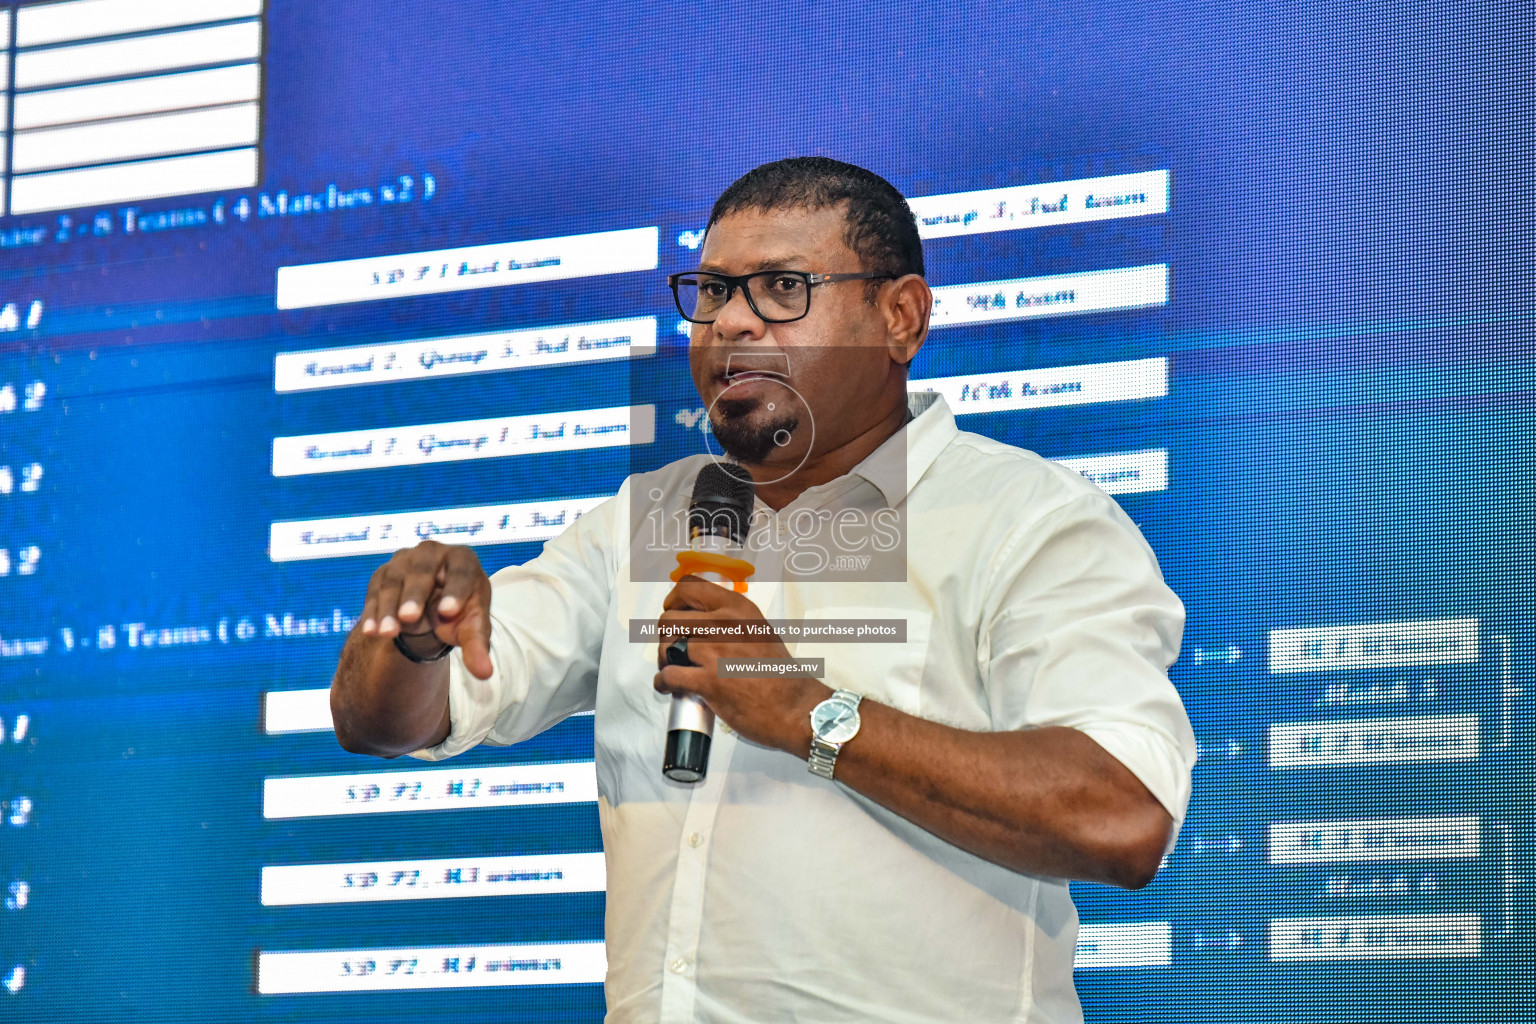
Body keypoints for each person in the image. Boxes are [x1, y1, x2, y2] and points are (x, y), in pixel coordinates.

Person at [330, 156, 1195, 1023]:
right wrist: (411, 638)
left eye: (781, 287)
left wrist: (807, 712)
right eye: (711, 292)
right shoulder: (647, 520)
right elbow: (389, 721)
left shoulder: (1028, 520)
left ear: (901, 316)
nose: (730, 323)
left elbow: (1121, 815)